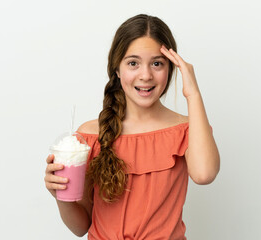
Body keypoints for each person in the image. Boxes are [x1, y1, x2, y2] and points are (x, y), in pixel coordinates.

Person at [44, 14, 220, 239]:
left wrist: (192, 92)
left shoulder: (185, 130)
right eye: (133, 63)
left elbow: (204, 174)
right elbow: (81, 226)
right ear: (117, 69)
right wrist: (62, 196)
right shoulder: (89, 136)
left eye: (157, 63)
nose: (145, 75)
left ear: (172, 68)